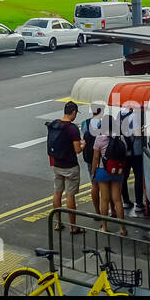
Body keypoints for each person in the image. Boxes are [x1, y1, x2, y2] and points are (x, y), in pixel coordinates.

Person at [46, 102, 84, 234]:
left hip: (57, 164)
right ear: (73, 112)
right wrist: (83, 145)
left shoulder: (55, 124)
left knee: (57, 193)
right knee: (70, 195)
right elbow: (77, 150)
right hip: (70, 166)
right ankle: (73, 226)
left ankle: (58, 223)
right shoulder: (72, 129)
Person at [89, 110, 128, 237]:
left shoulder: (99, 139)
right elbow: (125, 153)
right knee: (117, 200)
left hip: (103, 171)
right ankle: (122, 228)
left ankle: (105, 226)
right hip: (118, 171)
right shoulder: (121, 138)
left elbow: (95, 158)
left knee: (104, 199)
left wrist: (93, 171)